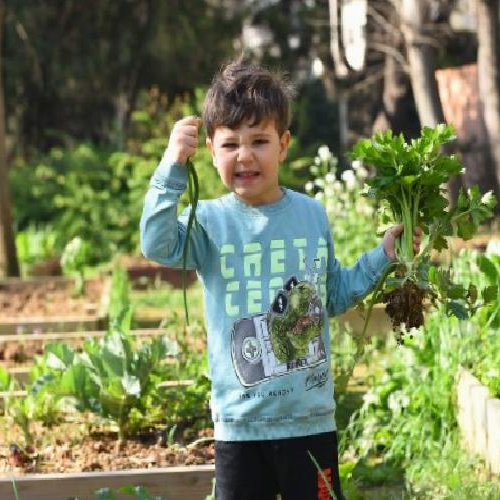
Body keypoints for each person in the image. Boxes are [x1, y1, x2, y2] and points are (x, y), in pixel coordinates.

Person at [140, 60, 407, 500]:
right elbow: (155, 242)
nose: (245, 155)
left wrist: (383, 257)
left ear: (283, 145)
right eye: (231, 145)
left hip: (309, 421)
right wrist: (171, 166)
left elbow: (332, 294)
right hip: (239, 425)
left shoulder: (310, 215)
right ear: (211, 151)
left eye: (259, 141)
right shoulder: (208, 222)